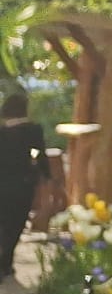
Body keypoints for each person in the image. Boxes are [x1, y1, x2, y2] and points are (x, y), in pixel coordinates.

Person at [0, 90, 52, 283]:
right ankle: (6, 261)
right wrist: (47, 177)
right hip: (23, 184)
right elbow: (40, 156)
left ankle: (4, 262)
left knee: (3, 223)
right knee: (16, 224)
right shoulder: (33, 130)